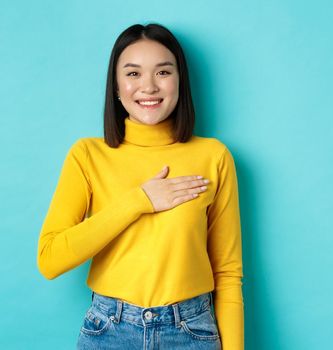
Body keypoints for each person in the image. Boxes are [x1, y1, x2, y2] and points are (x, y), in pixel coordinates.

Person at [37, 23, 244, 350]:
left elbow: (228, 275)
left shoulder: (213, 156)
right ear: (117, 87)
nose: (148, 86)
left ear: (179, 81)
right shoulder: (88, 155)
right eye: (133, 74)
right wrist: (138, 201)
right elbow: (50, 259)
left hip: (191, 331)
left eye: (163, 72)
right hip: (109, 329)